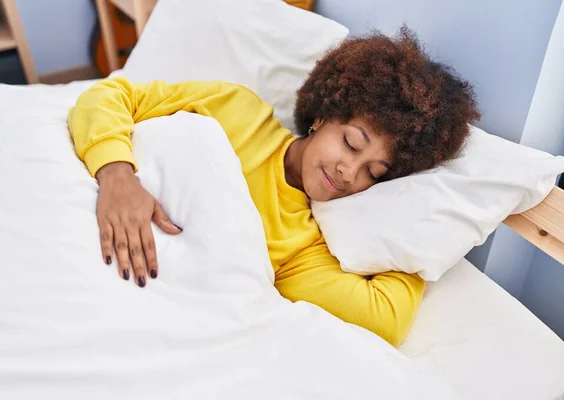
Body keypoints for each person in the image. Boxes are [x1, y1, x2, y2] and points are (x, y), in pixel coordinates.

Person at [67, 28, 480, 347]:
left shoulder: (306, 246)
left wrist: (417, 232)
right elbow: (109, 95)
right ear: (322, 116)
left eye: (374, 172)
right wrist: (117, 174)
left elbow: (385, 319)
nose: (349, 171)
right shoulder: (238, 111)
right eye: (351, 142)